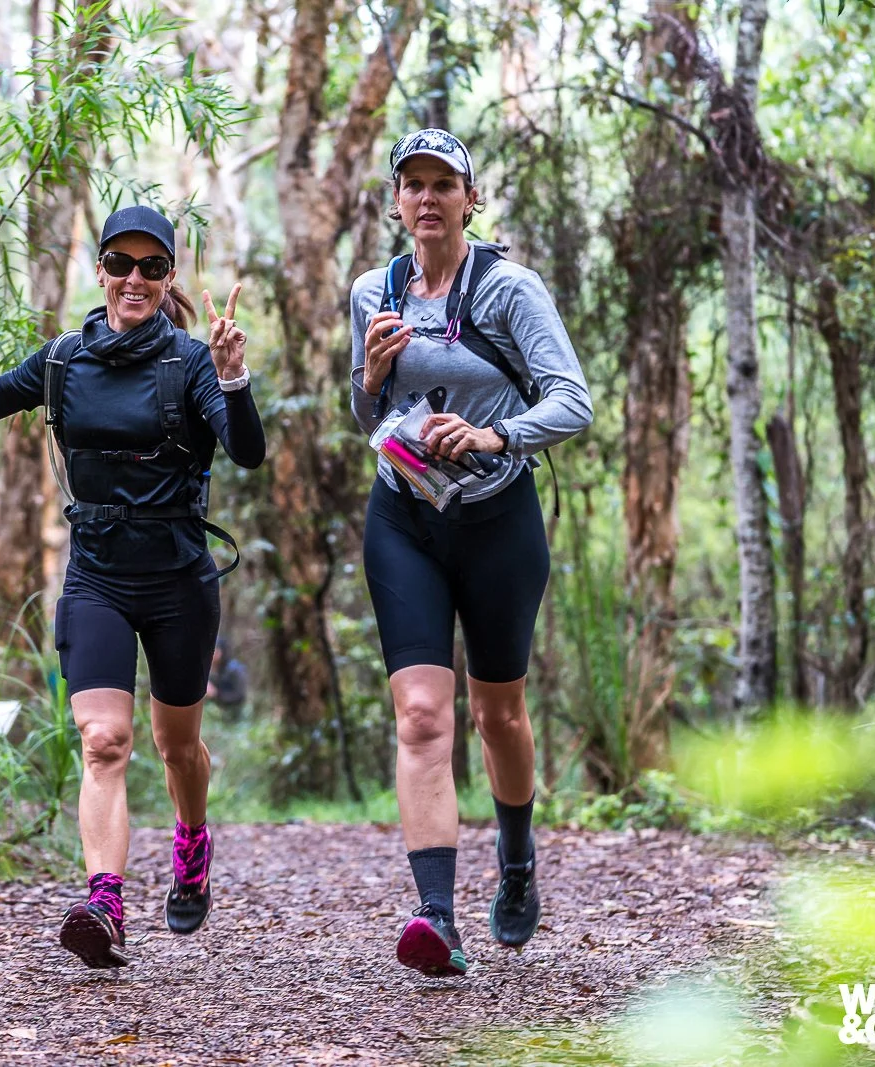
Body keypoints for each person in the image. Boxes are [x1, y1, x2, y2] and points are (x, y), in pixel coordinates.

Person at [0, 205, 265, 968]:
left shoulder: (189, 363)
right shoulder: (62, 361)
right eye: (122, 263)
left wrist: (233, 375)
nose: (135, 279)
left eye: (153, 267)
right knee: (105, 740)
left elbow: (246, 450)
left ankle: (191, 836)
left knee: (176, 744)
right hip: (97, 578)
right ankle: (106, 900)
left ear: (169, 278)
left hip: (180, 579)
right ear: (102, 270)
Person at [348, 129, 593, 976]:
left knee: (499, 714)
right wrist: (373, 376)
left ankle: (518, 859)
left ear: (469, 197)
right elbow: (363, 413)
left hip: (497, 519)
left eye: (442, 184)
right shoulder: (372, 291)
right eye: (411, 184)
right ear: (396, 200)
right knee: (420, 714)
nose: (426, 198)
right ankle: (437, 917)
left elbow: (573, 401)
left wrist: (493, 434)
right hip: (403, 518)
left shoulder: (510, 290)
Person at [206, 639, 249, 720]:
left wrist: (216, 694)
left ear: (222, 651)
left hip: (234, 716)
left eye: (215, 650)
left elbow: (240, 696)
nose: (212, 654)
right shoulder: (211, 670)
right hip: (216, 716)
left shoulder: (235, 669)